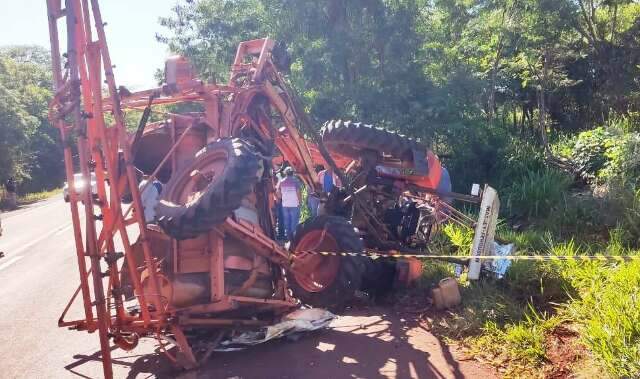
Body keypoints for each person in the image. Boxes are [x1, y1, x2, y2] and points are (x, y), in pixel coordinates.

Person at [276, 166, 302, 241]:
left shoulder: (281, 181)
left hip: (285, 204)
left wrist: (282, 197)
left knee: (287, 221)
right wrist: (300, 202)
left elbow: (278, 193)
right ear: (292, 173)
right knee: (294, 221)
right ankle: (293, 238)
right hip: (294, 204)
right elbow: (298, 193)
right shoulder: (296, 181)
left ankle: (288, 237)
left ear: (285, 173)